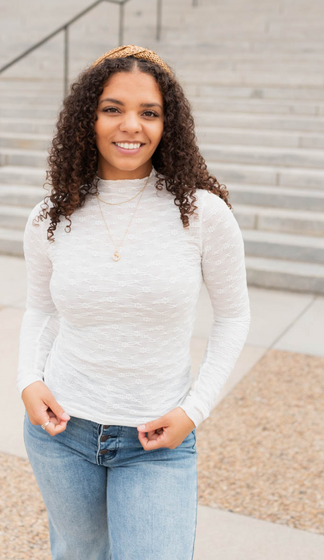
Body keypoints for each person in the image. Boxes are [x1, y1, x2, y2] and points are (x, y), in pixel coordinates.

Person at [17, 44, 251, 560]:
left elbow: (233, 317)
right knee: (79, 553)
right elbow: (41, 309)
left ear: (169, 125)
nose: (132, 126)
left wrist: (194, 410)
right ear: (88, 118)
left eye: (149, 112)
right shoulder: (50, 217)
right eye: (112, 109)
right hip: (62, 433)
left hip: (156, 444)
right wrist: (28, 380)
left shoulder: (202, 214)